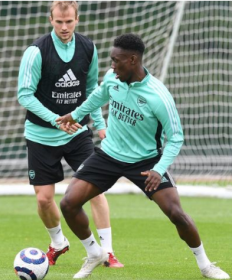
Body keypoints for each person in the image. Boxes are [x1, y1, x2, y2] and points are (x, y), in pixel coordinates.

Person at [56, 34, 231, 279]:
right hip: (109, 154)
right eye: (111, 60)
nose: (112, 66)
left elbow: (176, 137)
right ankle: (95, 253)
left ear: (133, 59)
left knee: (176, 214)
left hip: (146, 161)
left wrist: (159, 169)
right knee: (68, 203)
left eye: (116, 61)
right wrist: (74, 115)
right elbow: (97, 97)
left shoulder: (158, 96)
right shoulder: (112, 78)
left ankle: (205, 265)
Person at [17, 1, 123, 268]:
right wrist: (56, 120)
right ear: (50, 20)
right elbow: (24, 95)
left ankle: (107, 252)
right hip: (41, 135)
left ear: (77, 19)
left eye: (69, 21)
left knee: (96, 190)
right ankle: (58, 242)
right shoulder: (36, 51)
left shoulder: (89, 48)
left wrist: (100, 125)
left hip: (78, 134)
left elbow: (93, 91)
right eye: (59, 22)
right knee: (43, 199)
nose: (64, 27)